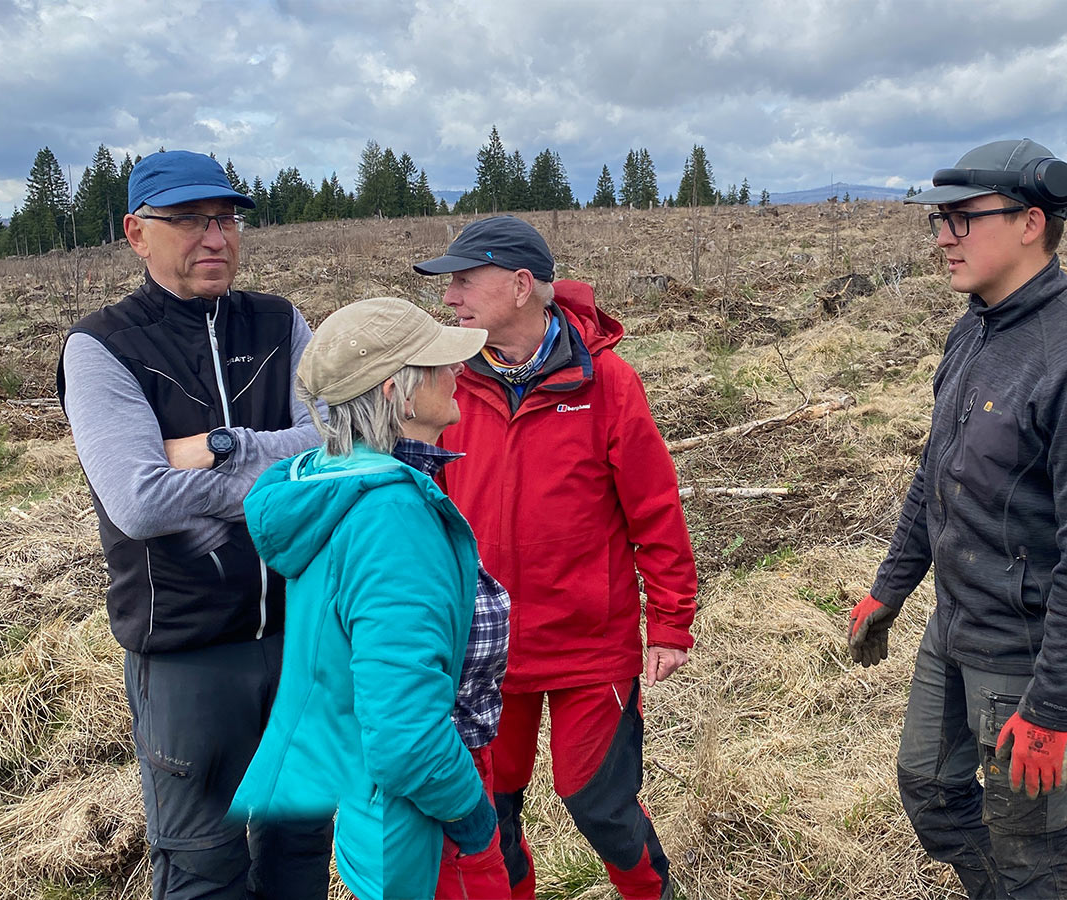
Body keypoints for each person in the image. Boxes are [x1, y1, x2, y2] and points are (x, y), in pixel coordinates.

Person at [847, 139, 1067, 899]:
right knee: (931, 791)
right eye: (938, 220)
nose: (943, 238)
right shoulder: (975, 329)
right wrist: (891, 587)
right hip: (955, 623)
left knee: (1030, 850)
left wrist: (1050, 710)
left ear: (1030, 223)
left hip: (1023, 654)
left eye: (962, 219)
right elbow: (935, 474)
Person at [56, 149, 332, 899]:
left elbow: (335, 451)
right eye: (188, 220)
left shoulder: (279, 322)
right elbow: (140, 501)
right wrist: (284, 472)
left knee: (301, 852)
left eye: (226, 219)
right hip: (188, 656)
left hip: (300, 639)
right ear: (137, 233)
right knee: (203, 868)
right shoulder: (103, 347)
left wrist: (219, 449)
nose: (215, 237)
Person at [414, 216, 698, 900]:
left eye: (464, 280)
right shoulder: (444, 382)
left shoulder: (608, 383)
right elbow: (420, 508)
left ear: (520, 286)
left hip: (588, 647)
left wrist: (670, 621)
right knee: (489, 811)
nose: (449, 296)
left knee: (600, 804)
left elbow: (655, 509)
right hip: (484, 647)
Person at [227, 297, 501, 900]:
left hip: (373, 808)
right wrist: (473, 817)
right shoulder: (392, 518)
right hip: (422, 825)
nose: (458, 370)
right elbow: (406, 738)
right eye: (439, 362)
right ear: (397, 393)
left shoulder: (333, 481)